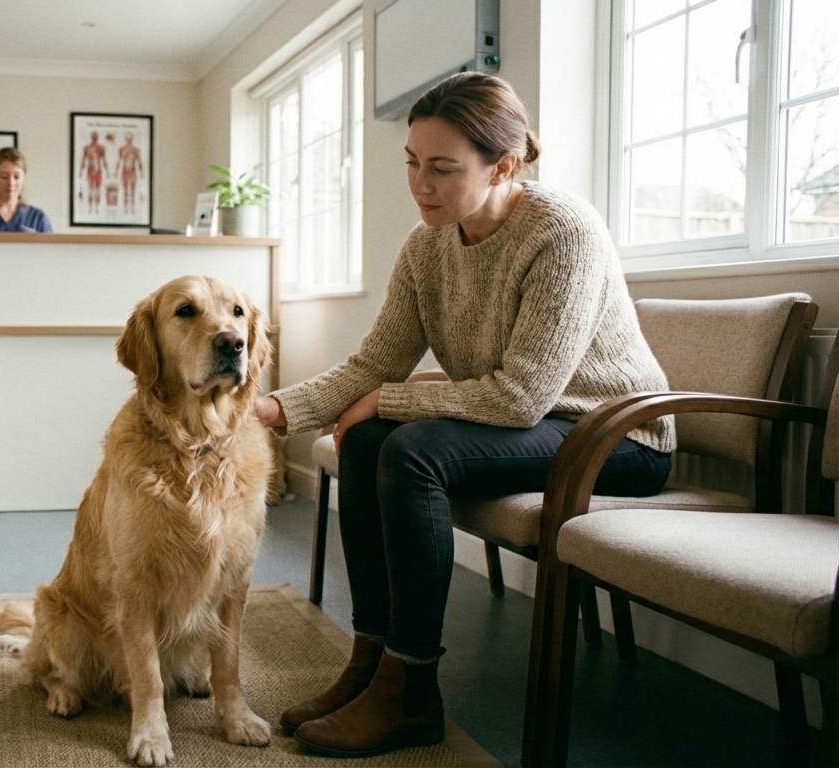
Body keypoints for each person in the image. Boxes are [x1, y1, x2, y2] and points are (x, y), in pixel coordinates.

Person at [255, 72, 676, 758]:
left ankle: (410, 691)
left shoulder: (562, 232)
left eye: (443, 168)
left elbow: (520, 396)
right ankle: (371, 664)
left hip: (616, 435)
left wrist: (391, 400)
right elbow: (373, 364)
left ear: (505, 165)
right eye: (414, 164)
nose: (421, 184)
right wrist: (271, 409)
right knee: (365, 442)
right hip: (529, 424)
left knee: (410, 447)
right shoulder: (428, 246)